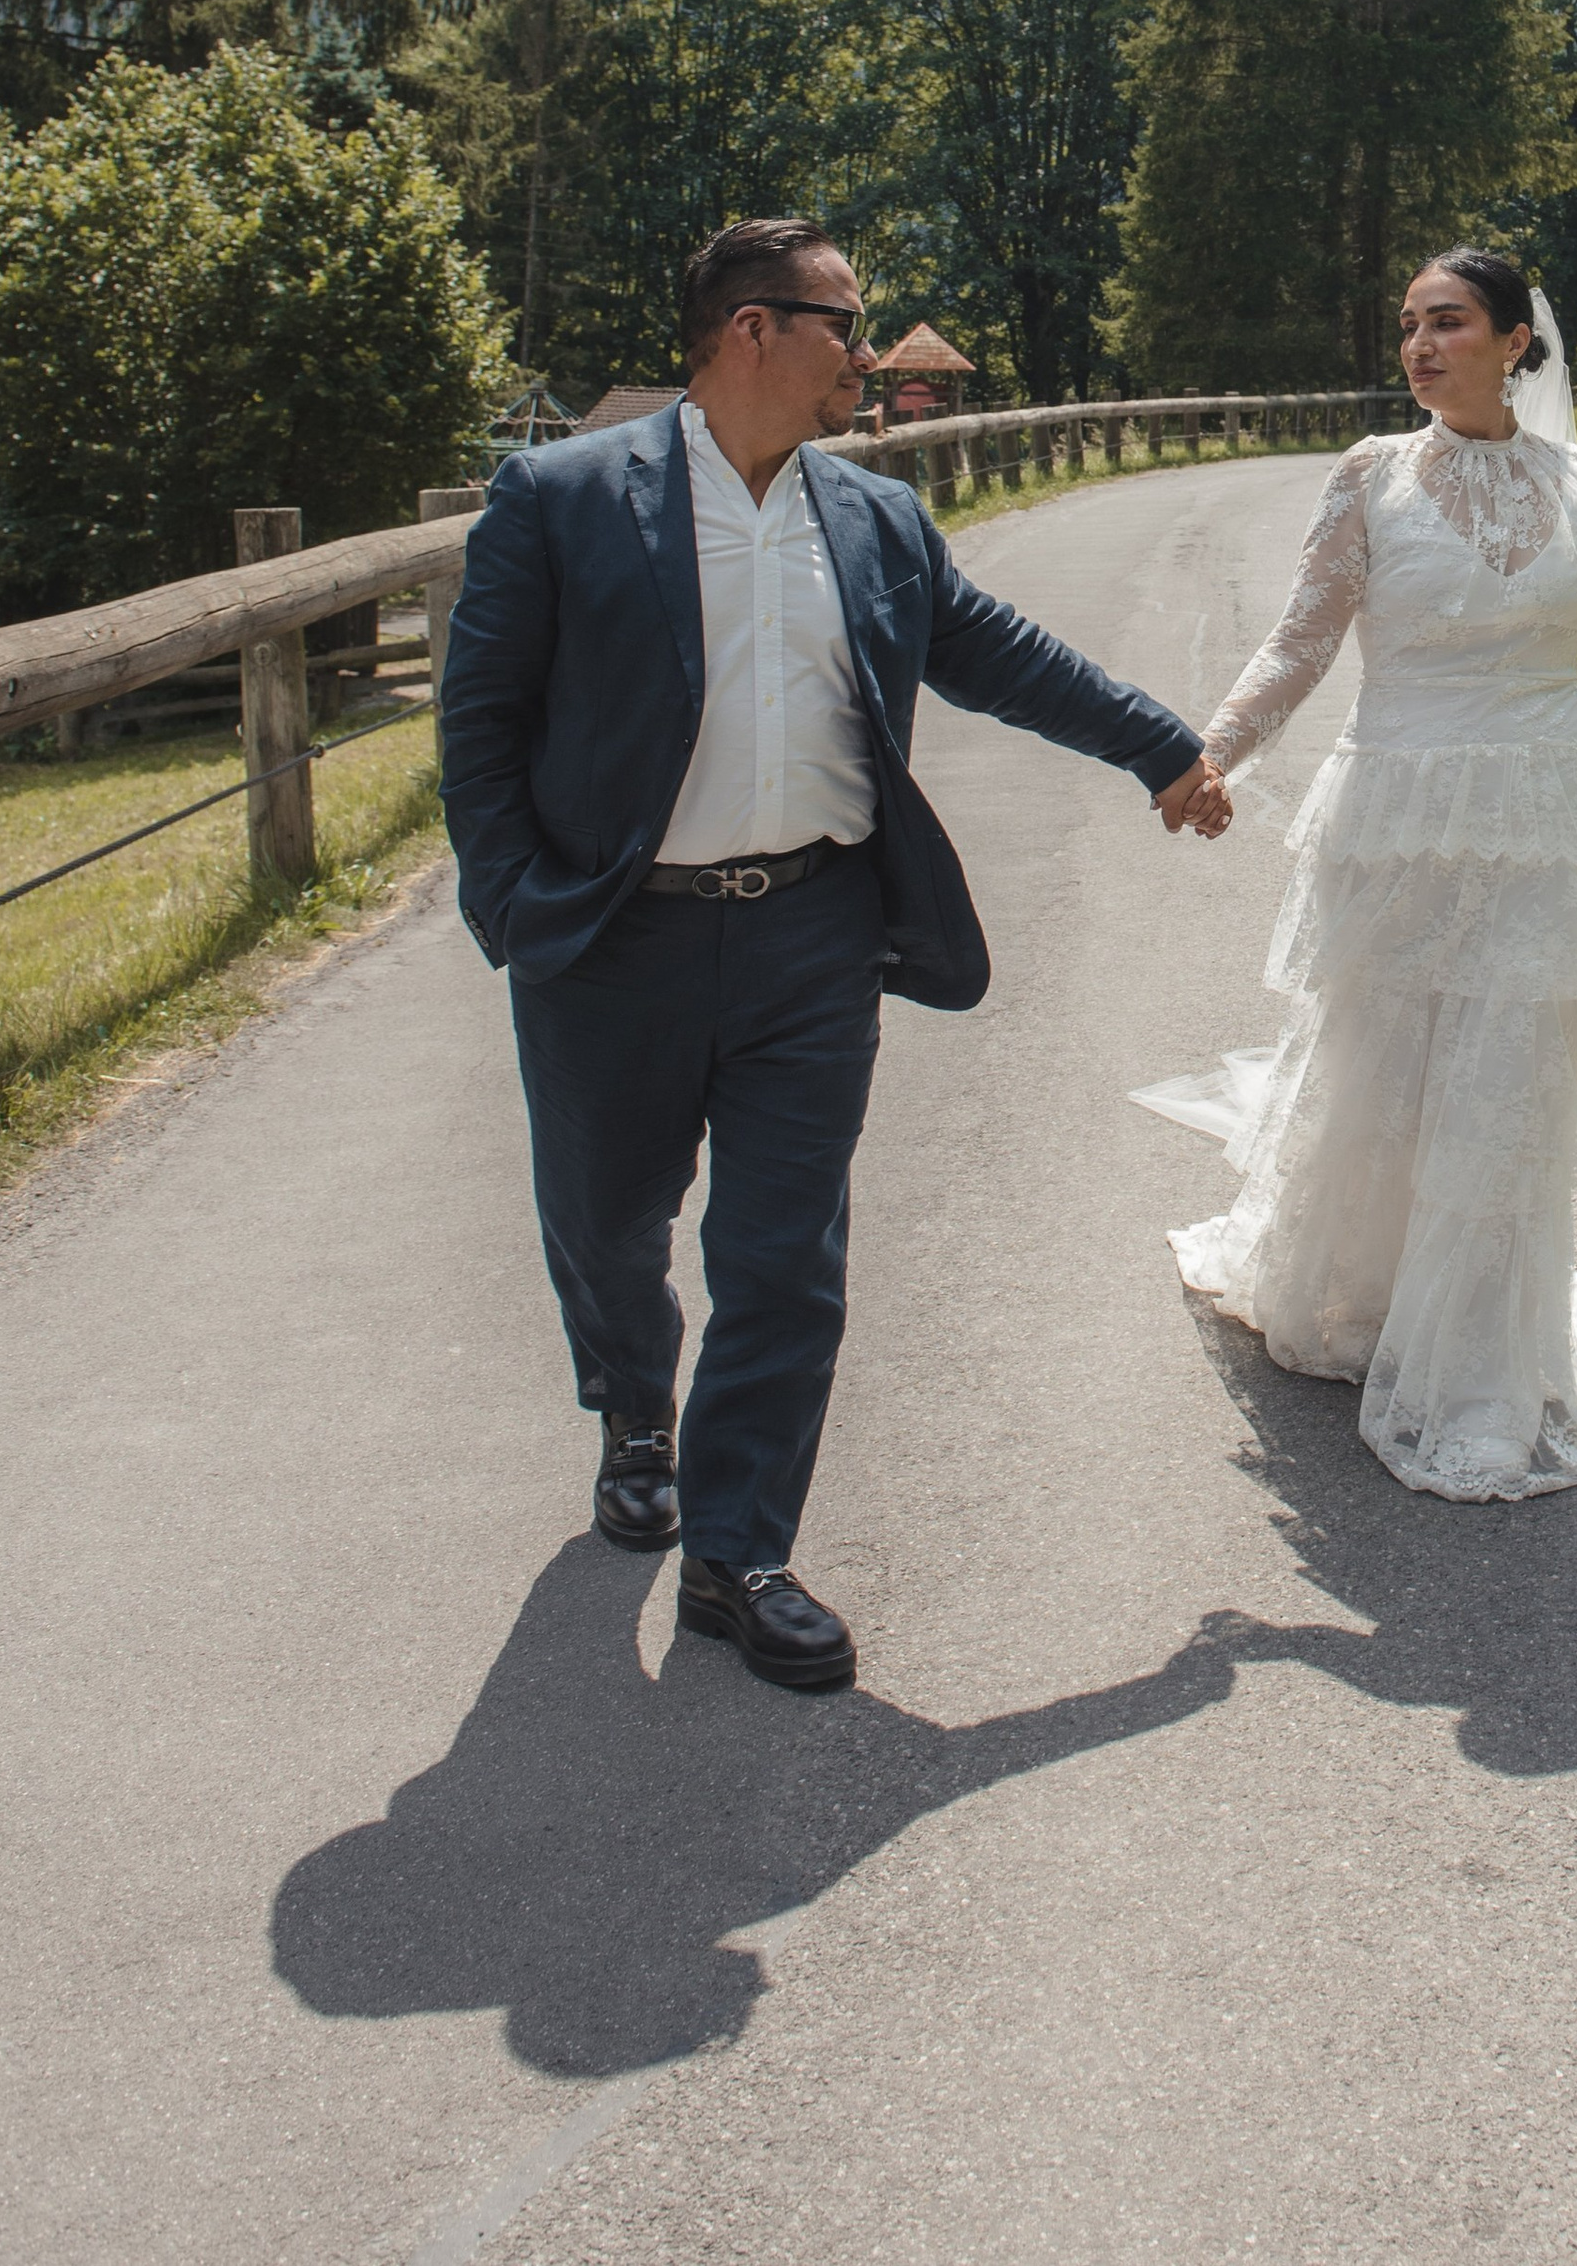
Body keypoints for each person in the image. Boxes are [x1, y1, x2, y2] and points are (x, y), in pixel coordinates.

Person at [440, 216, 1232, 1692]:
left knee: (783, 1253)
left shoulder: (870, 517)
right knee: (610, 1224)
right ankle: (633, 1413)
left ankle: (738, 1553)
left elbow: (999, 652)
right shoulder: (555, 499)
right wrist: (514, 910)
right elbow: (478, 726)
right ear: (752, 329)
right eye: (845, 324)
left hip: (812, 932)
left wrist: (1161, 747)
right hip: (614, 943)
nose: (868, 357)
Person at [1134, 248, 1577, 1502]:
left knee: (1509, 1088)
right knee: (1382, 1063)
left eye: (1448, 323)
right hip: (1395, 817)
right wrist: (1207, 753)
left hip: (1548, 821)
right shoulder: (1373, 475)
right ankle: (1364, 1290)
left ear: (1514, 342)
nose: (1421, 346)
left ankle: (1483, 1371)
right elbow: (1301, 638)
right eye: (1409, 328)